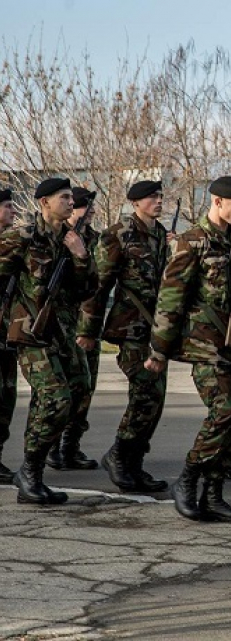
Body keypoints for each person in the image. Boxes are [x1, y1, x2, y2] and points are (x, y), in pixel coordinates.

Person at [146, 176, 231, 522]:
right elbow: (170, 299)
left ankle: (214, 494)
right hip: (204, 346)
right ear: (217, 202)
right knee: (223, 411)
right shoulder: (192, 242)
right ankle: (187, 479)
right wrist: (159, 350)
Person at [0, 177, 97, 504]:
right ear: (44, 202)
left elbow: (88, 290)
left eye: (72, 198)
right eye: (65, 197)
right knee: (55, 397)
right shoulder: (24, 236)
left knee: (80, 389)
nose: (71, 202)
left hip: (63, 332)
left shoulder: (72, 239)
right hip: (30, 332)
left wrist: (81, 255)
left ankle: (34, 469)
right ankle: (31, 474)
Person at [79, 180, 171, 493]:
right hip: (131, 327)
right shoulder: (118, 234)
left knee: (155, 399)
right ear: (135, 203)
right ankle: (119, 455)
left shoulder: (160, 234)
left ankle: (134, 462)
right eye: (151, 197)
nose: (158, 201)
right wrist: (88, 331)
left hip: (157, 331)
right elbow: (98, 285)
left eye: (159, 196)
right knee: (145, 392)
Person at [45, 187, 101, 472]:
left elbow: (96, 288)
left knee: (84, 389)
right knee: (63, 389)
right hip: (65, 327)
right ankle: (53, 447)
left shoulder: (93, 239)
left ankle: (70, 446)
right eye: (84, 206)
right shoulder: (57, 239)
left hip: (85, 326)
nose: (90, 210)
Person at [0, 187, 17, 483]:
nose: (13, 211)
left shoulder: (17, 243)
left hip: (7, 333)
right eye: (7, 207)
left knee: (6, 397)